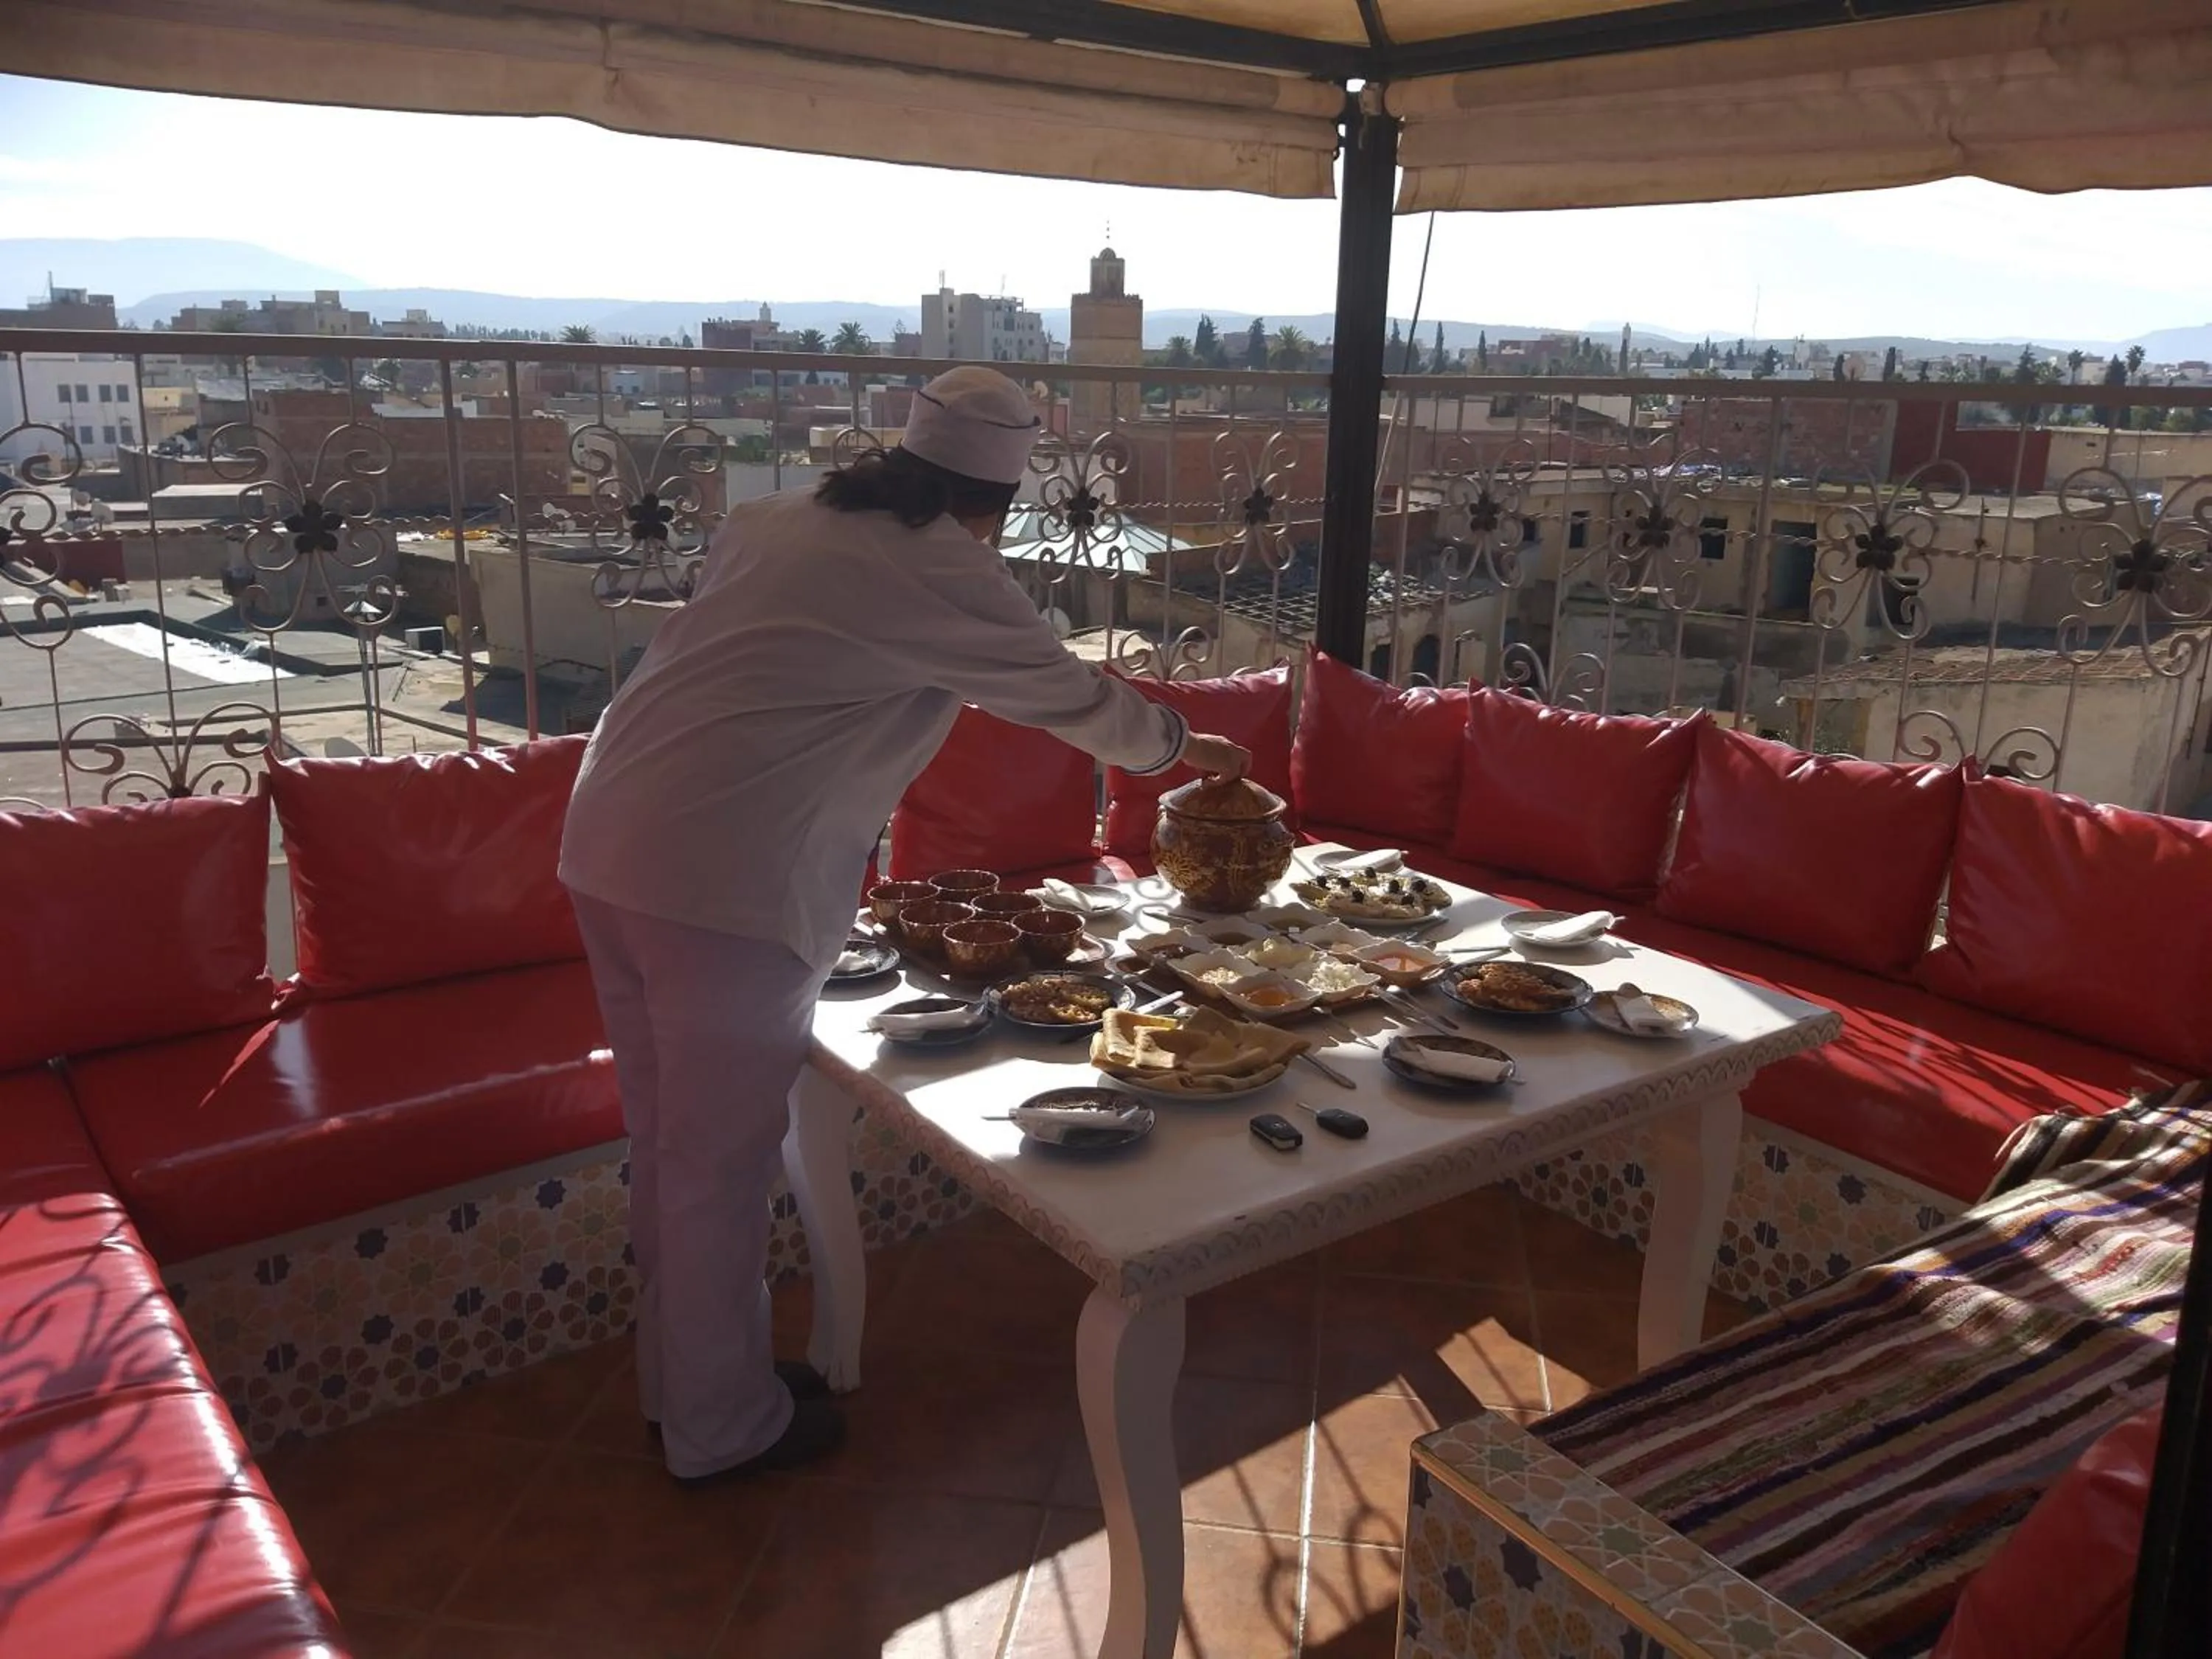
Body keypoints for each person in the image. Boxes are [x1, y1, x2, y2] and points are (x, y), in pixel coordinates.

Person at [558, 366, 1250, 1484]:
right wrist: (1187, 745)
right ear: (1002, 500)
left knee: (668, 1144)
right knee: (717, 1165)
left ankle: (683, 1387)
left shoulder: (775, 516)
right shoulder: (941, 566)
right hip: (724, 884)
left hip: (607, 837)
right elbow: (1072, 699)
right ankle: (721, 1428)